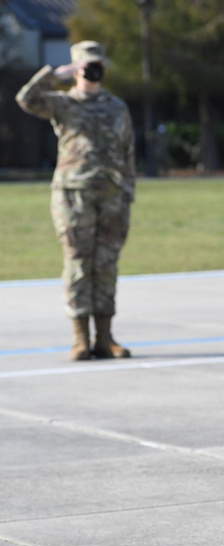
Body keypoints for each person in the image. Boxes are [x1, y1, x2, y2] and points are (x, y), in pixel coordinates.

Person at [16, 40, 134, 361]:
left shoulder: (117, 107)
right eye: (87, 64)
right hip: (72, 197)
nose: (94, 70)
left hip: (112, 196)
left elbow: (128, 152)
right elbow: (26, 99)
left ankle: (106, 338)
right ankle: (80, 338)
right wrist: (54, 75)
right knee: (79, 263)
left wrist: (128, 194)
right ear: (76, 68)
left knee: (106, 265)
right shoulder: (62, 104)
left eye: (98, 64)